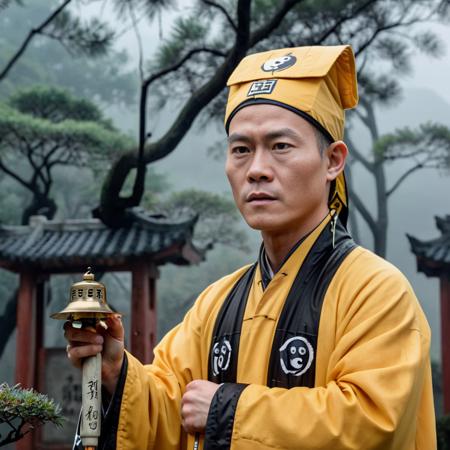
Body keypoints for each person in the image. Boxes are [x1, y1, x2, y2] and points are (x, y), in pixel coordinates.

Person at [65, 45, 436, 450]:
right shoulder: (216, 303)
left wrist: (227, 411)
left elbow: (372, 423)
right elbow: (171, 412)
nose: (257, 169)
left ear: (333, 161)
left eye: (280, 146)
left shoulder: (376, 291)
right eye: (241, 149)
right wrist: (118, 372)